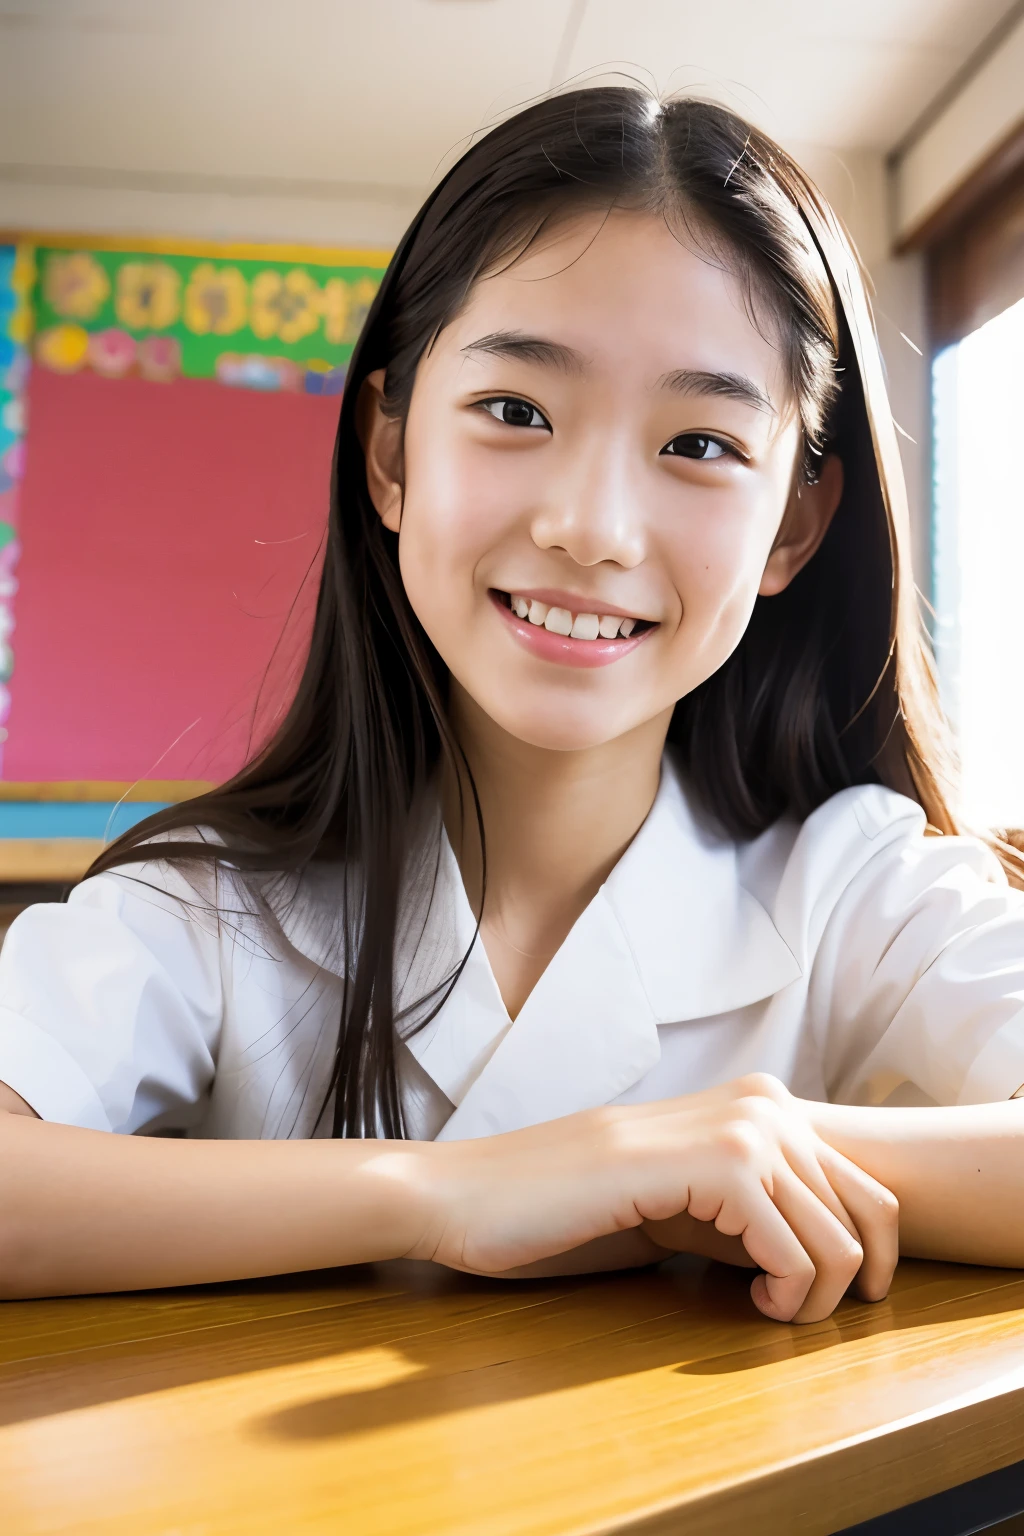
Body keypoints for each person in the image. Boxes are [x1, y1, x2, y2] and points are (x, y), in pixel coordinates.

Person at [2, 89, 1023, 1324]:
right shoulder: (212, 907)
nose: (588, 528)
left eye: (698, 444)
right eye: (516, 412)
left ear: (794, 526)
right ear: (389, 454)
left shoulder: (859, 888)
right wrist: (446, 1194)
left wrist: (742, 1144)